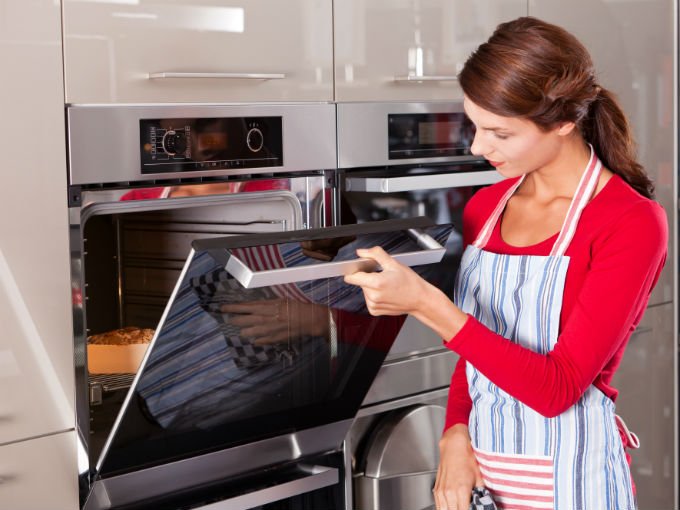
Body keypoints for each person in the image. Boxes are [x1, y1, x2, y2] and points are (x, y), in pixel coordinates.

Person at [344, 16, 667, 510]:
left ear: (562, 123)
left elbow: (557, 388)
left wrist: (427, 304)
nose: (477, 146)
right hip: (483, 475)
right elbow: (479, 345)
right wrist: (455, 431)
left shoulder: (630, 221)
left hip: (573, 483)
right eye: (474, 125)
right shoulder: (487, 207)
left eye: (499, 132)